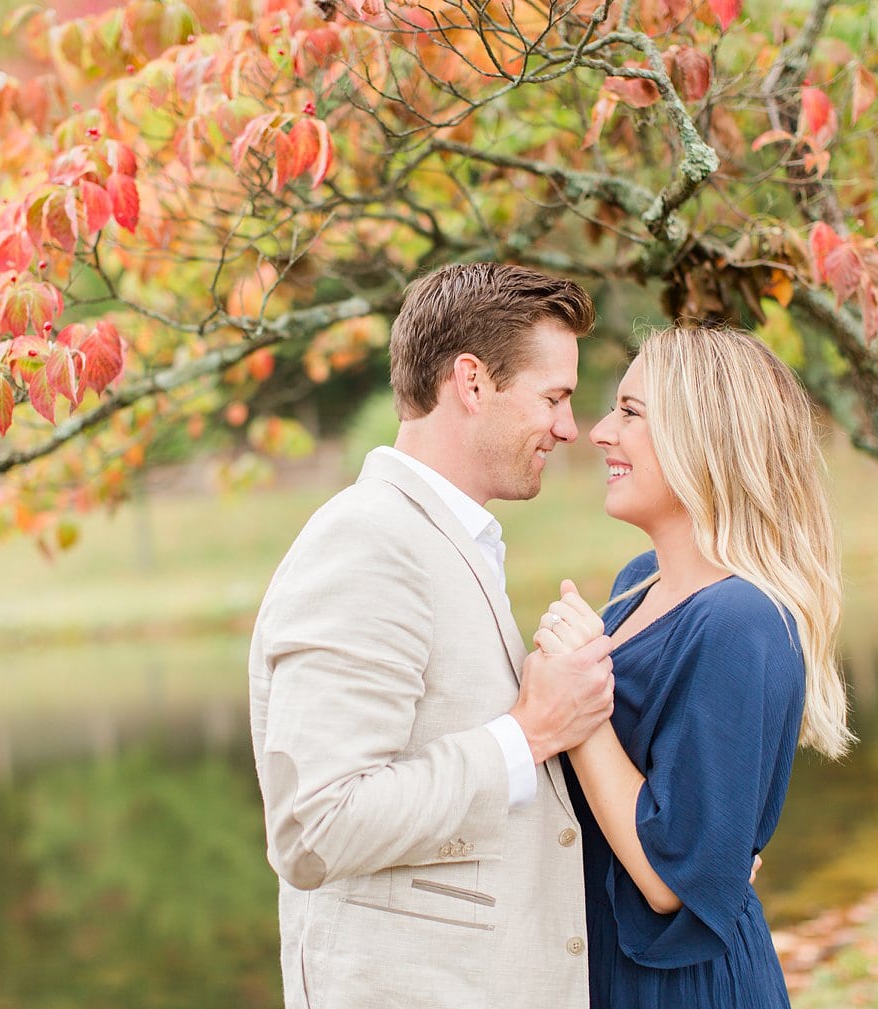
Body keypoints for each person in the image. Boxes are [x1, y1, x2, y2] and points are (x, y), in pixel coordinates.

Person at [248, 263, 618, 1009]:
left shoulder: (446, 538)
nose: (569, 427)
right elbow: (315, 826)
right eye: (552, 398)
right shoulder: (365, 542)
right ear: (472, 382)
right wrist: (528, 732)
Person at [533, 324, 854, 1008]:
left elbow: (669, 878)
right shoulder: (638, 581)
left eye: (629, 411)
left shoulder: (740, 617)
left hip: (680, 984)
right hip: (603, 965)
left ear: (703, 438)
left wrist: (578, 697)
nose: (597, 431)